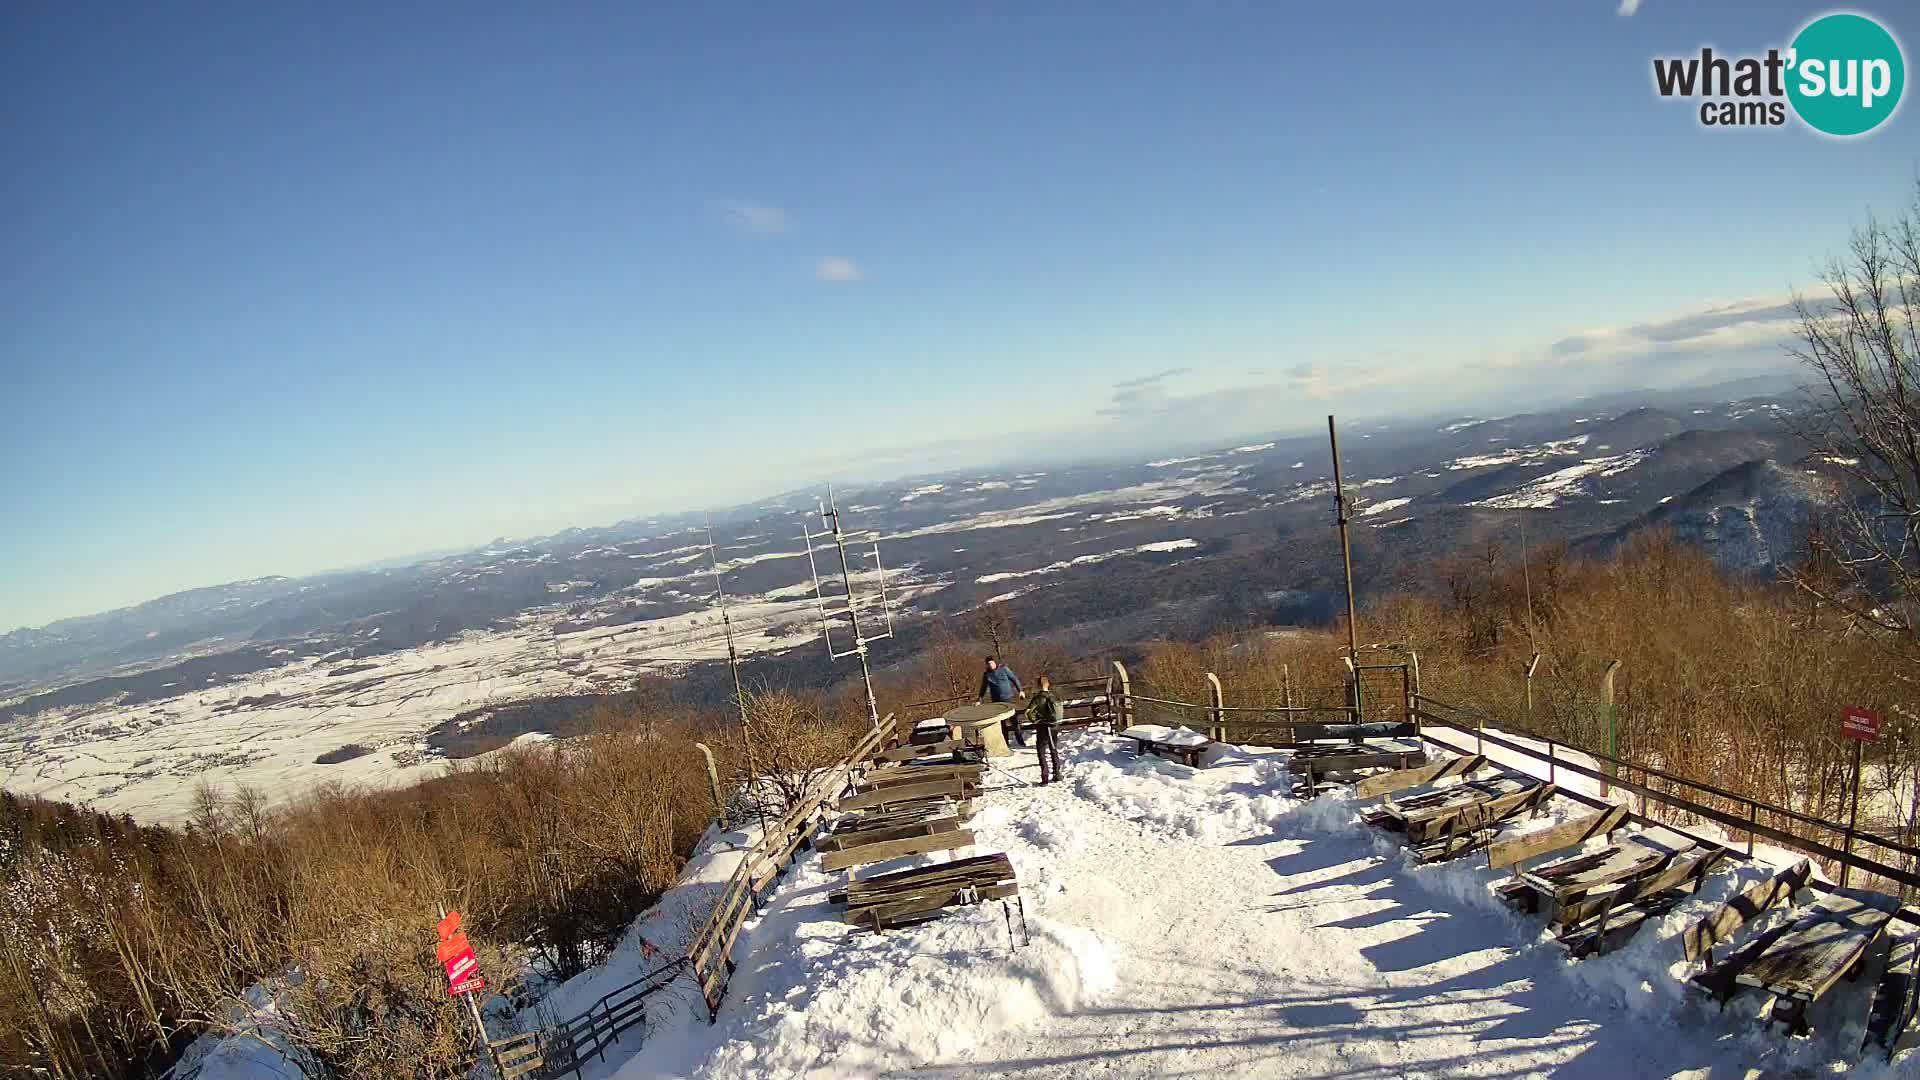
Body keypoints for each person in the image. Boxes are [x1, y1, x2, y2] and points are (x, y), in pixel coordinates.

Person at [978, 656, 1026, 748]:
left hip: (1008, 698)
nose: (990, 665)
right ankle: (1005, 743)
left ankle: (1021, 741)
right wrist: (979, 699)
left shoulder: (1004, 669)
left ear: (995, 663)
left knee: (1014, 721)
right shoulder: (987, 675)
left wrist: (1020, 690)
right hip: (996, 701)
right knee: (1002, 723)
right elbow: (983, 688)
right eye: (988, 664)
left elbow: (1014, 678)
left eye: (991, 663)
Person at [1026, 675, 1065, 785]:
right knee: (1053, 748)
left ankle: (1045, 777)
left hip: (1043, 726)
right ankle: (1057, 774)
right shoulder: (1055, 695)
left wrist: (1035, 720)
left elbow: (1028, 712)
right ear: (1048, 684)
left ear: (1038, 685)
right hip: (1054, 726)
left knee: (1041, 750)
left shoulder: (1038, 698)